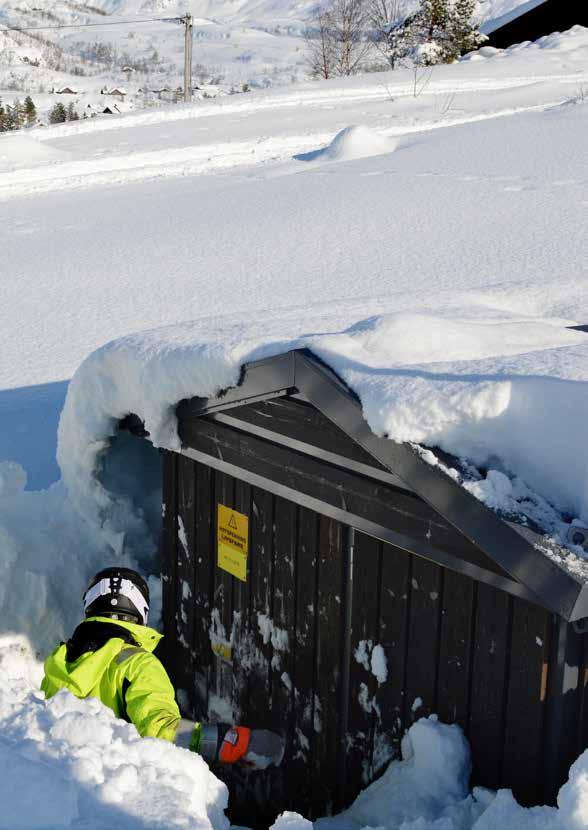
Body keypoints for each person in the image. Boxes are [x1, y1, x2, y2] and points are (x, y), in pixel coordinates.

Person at [42, 566, 284, 768]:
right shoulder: (138, 663)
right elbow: (161, 732)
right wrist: (234, 741)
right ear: (140, 612)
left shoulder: (61, 661)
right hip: (118, 789)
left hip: (65, 779)